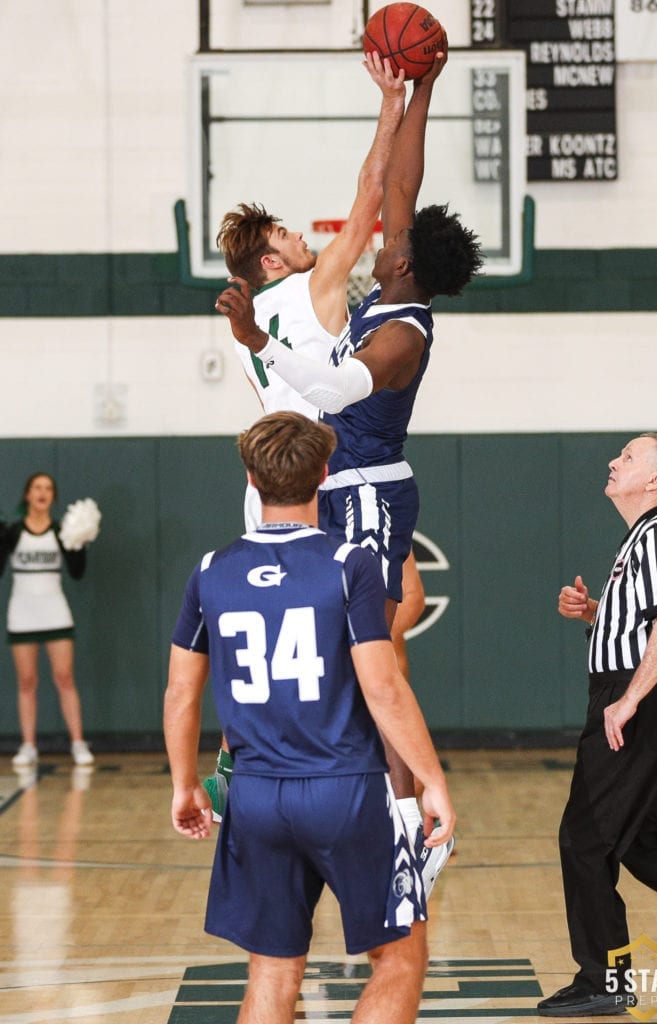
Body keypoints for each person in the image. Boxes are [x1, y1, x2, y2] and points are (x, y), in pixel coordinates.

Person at [216, 44, 481, 868]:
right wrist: (410, 94)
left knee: (351, 643)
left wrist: (410, 93)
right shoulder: (328, 288)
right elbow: (383, 191)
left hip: (303, 483)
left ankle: (392, 814)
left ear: (402, 263)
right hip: (326, 477)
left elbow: (391, 192)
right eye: (288, 233)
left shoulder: (393, 325)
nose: (311, 236)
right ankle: (351, 792)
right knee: (364, 644)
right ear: (270, 259)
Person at [164, 410, 456, 1024]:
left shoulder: (211, 570)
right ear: (326, 474)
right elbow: (383, 687)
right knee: (399, 959)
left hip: (256, 796)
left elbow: (181, 696)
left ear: (251, 478)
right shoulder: (349, 562)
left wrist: (186, 785)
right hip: (345, 789)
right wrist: (431, 780)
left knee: (271, 973)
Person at [537, 432, 657, 1018]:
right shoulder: (641, 540)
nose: (612, 462)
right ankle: (606, 978)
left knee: (586, 839)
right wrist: (599, 615)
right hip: (633, 694)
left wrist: (627, 702)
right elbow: (649, 620)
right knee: (639, 843)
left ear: (655, 480)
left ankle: (605, 981)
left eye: (625, 458)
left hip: (640, 700)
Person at [0, 473, 96, 768]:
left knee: (64, 677)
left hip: (54, 610)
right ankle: (28, 745)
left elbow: (77, 572)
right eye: (37, 488)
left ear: (53, 497)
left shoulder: (61, 531)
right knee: (27, 681)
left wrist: (79, 543)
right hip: (23, 612)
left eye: (48, 489)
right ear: (27, 495)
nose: (42, 493)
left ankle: (78, 743)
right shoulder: (14, 532)